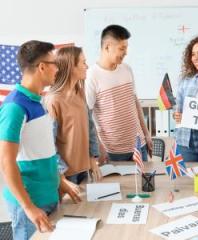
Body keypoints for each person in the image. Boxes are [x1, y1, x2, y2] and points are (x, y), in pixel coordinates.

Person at [0, 40, 70, 239]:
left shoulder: (38, 101)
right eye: (55, 63)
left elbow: (43, 150)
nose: (58, 69)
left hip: (48, 197)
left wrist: (60, 181)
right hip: (30, 206)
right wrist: (29, 207)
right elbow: (6, 163)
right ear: (42, 67)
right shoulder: (14, 107)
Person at [85, 25, 152, 161]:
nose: (126, 52)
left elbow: (135, 103)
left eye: (126, 48)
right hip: (112, 151)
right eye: (122, 48)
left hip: (139, 146)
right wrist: (99, 147)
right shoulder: (91, 76)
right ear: (107, 47)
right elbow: (87, 116)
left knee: (143, 182)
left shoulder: (127, 69)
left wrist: (147, 134)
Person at [45, 46, 102, 190]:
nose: (87, 66)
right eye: (83, 63)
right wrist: (62, 175)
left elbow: (90, 128)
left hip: (84, 169)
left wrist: (92, 159)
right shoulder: (53, 100)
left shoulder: (80, 92)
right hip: (65, 176)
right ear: (71, 67)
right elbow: (48, 145)